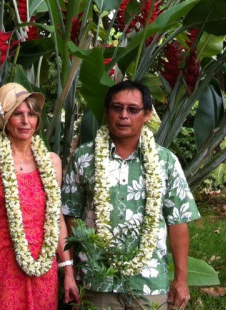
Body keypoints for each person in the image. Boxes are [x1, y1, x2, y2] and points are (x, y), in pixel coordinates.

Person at [61, 80, 200, 310]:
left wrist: (181, 280)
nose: (124, 115)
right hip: (97, 281)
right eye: (117, 108)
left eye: (133, 109)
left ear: (146, 115)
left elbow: (178, 221)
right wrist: (73, 269)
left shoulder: (165, 161)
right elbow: (70, 216)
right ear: (106, 112)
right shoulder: (84, 158)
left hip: (149, 282)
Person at [0, 82, 80, 309]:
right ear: (5, 120)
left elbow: (56, 219)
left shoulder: (51, 162)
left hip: (42, 265)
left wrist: (68, 271)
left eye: (31, 114)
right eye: (18, 114)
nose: (26, 121)